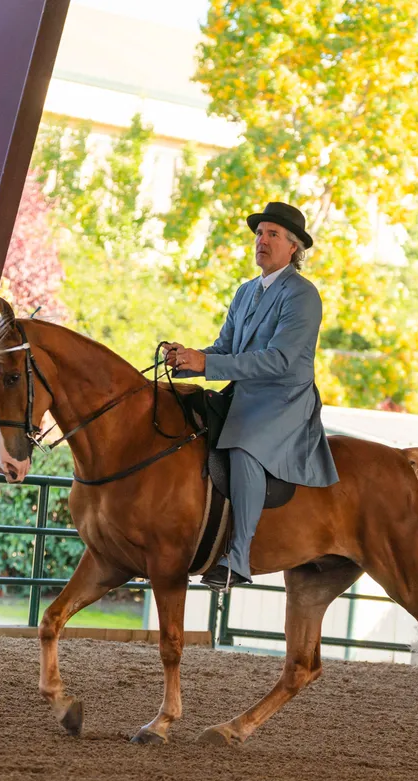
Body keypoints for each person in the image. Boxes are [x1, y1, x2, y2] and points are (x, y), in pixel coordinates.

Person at [165, 202, 339, 591]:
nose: (262, 240)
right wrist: (190, 359)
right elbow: (225, 347)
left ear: (294, 247)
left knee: (244, 448)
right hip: (244, 391)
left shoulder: (302, 296)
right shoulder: (245, 292)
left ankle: (238, 558)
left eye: (272, 234)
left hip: (283, 399)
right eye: (259, 233)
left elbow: (279, 361)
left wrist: (207, 365)